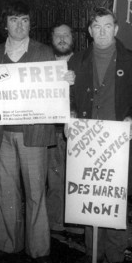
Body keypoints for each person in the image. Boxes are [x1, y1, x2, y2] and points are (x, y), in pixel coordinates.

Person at [0, 2, 74, 263]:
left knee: (35, 192)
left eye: (24, 20)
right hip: (2, 134)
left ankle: (39, 248)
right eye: (13, 19)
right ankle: (7, 243)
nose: (19, 25)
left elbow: (56, 88)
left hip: (34, 134)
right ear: (5, 24)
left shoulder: (44, 53)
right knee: (6, 191)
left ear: (30, 24)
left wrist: (65, 81)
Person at [69, 7, 132, 263]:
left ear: (115, 29)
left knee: (114, 196)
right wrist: (69, 116)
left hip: (117, 139)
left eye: (107, 26)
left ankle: (115, 255)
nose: (102, 32)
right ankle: (93, 251)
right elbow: (65, 98)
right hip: (86, 137)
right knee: (90, 193)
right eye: (96, 27)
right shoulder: (76, 61)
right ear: (89, 31)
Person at [47, 22, 82, 235]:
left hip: (77, 128)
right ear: (51, 39)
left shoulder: (83, 61)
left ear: (73, 38)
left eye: (66, 35)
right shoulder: (42, 64)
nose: (62, 39)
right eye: (57, 35)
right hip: (52, 128)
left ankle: (77, 222)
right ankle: (55, 221)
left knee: (76, 176)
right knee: (54, 176)